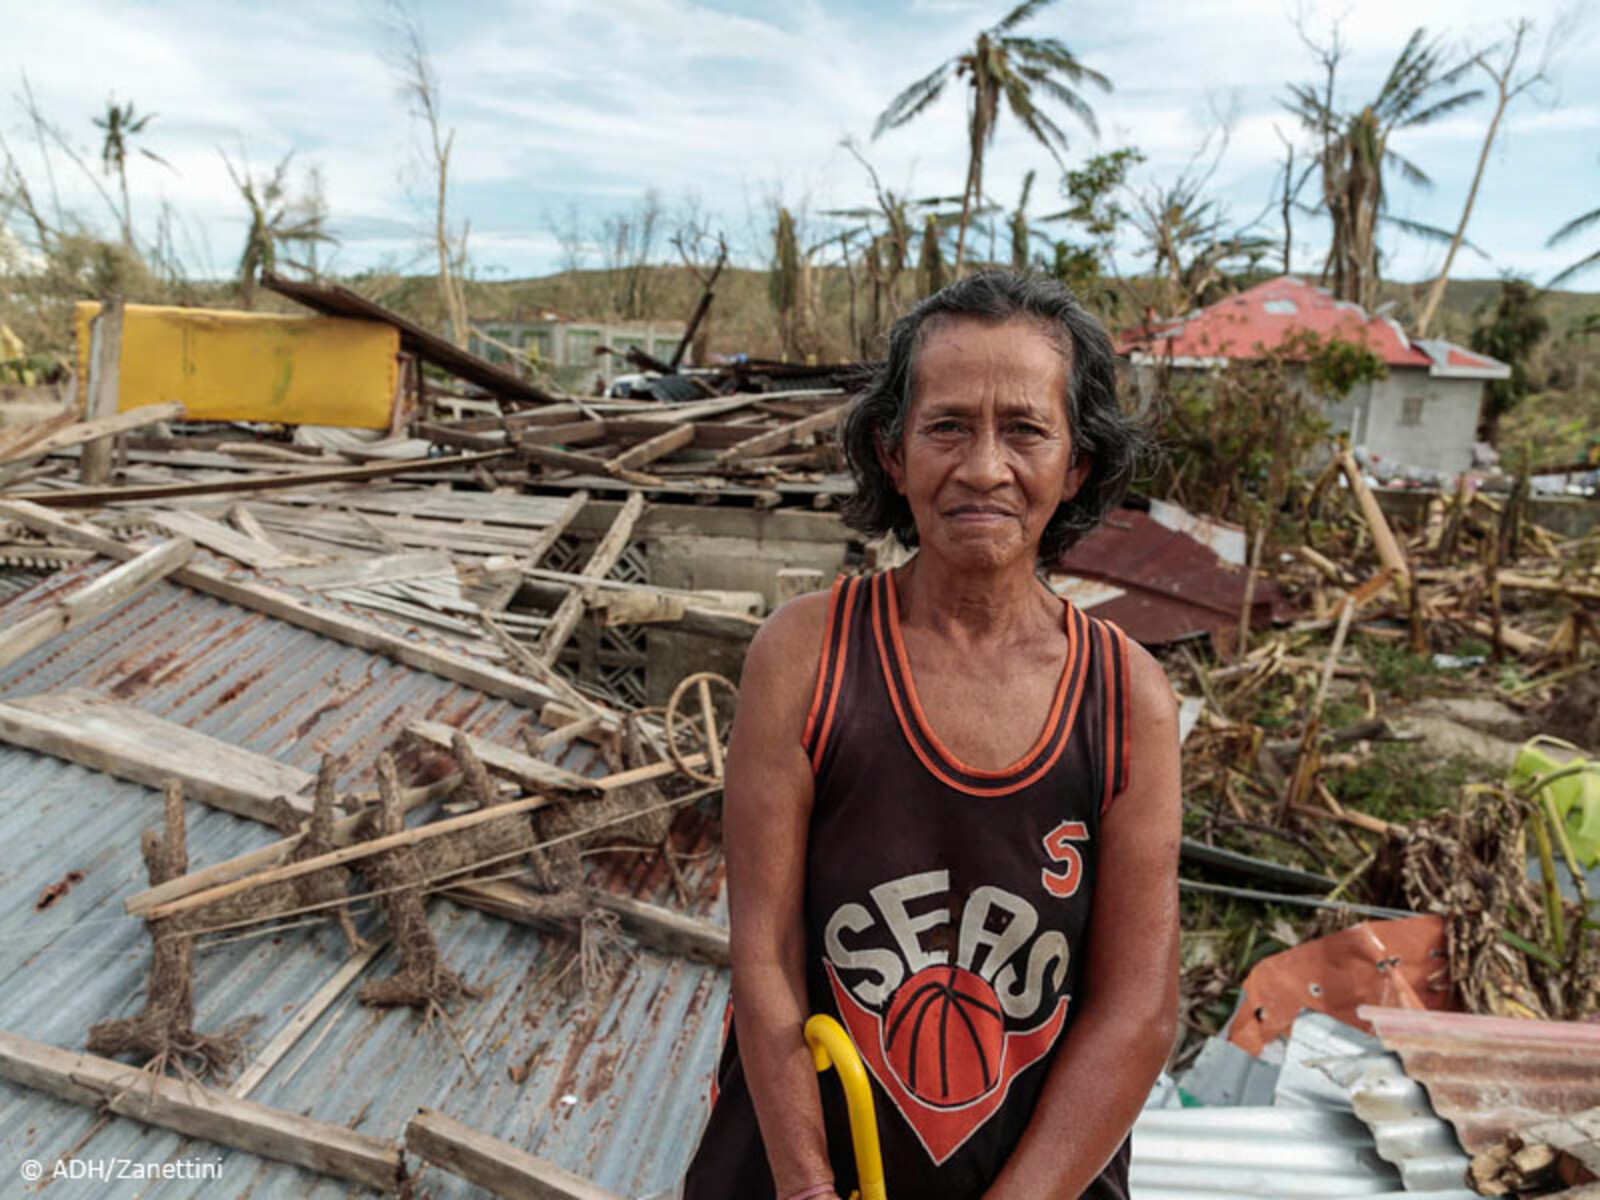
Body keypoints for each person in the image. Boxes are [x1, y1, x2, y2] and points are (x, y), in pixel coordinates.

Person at [684, 271, 1181, 1200]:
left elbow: (1138, 1010)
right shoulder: (806, 656)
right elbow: (766, 951)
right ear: (893, 450)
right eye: (947, 426)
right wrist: (806, 1187)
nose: (984, 467)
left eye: (1025, 429)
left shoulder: (1127, 697)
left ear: (1076, 464)